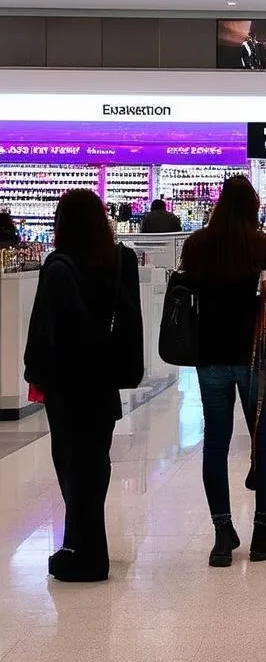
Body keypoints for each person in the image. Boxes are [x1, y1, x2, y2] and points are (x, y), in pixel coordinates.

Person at [179, 175, 266, 567]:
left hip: (210, 359)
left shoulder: (196, 245)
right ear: (253, 207)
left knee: (215, 443)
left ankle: (222, 535)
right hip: (258, 359)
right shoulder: (261, 247)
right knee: (265, 441)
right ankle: (263, 533)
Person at [24, 189, 143, 581]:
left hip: (69, 387)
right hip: (104, 383)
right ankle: (85, 545)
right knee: (95, 465)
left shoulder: (58, 267)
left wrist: (37, 372)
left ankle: (88, 554)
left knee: (73, 467)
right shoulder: (120, 261)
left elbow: (49, 330)